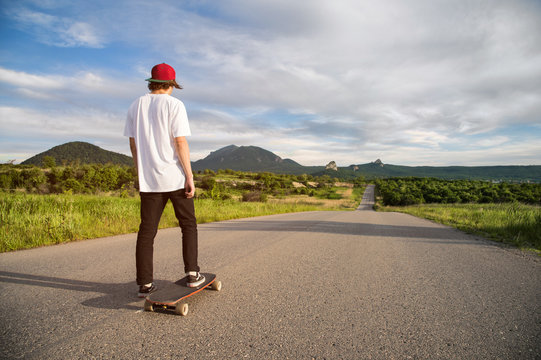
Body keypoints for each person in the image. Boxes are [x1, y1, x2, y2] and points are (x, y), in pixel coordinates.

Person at [124, 63, 204, 298]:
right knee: (188, 225)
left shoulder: (135, 105)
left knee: (147, 231)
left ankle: (145, 284)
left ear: (152, 82)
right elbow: (180, 142)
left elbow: (133, 144)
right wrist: (189, 176)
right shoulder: (174, 105)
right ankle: (192, 274)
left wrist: (141, 172)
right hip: (175, 178)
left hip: (149, 181)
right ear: (171, 84)